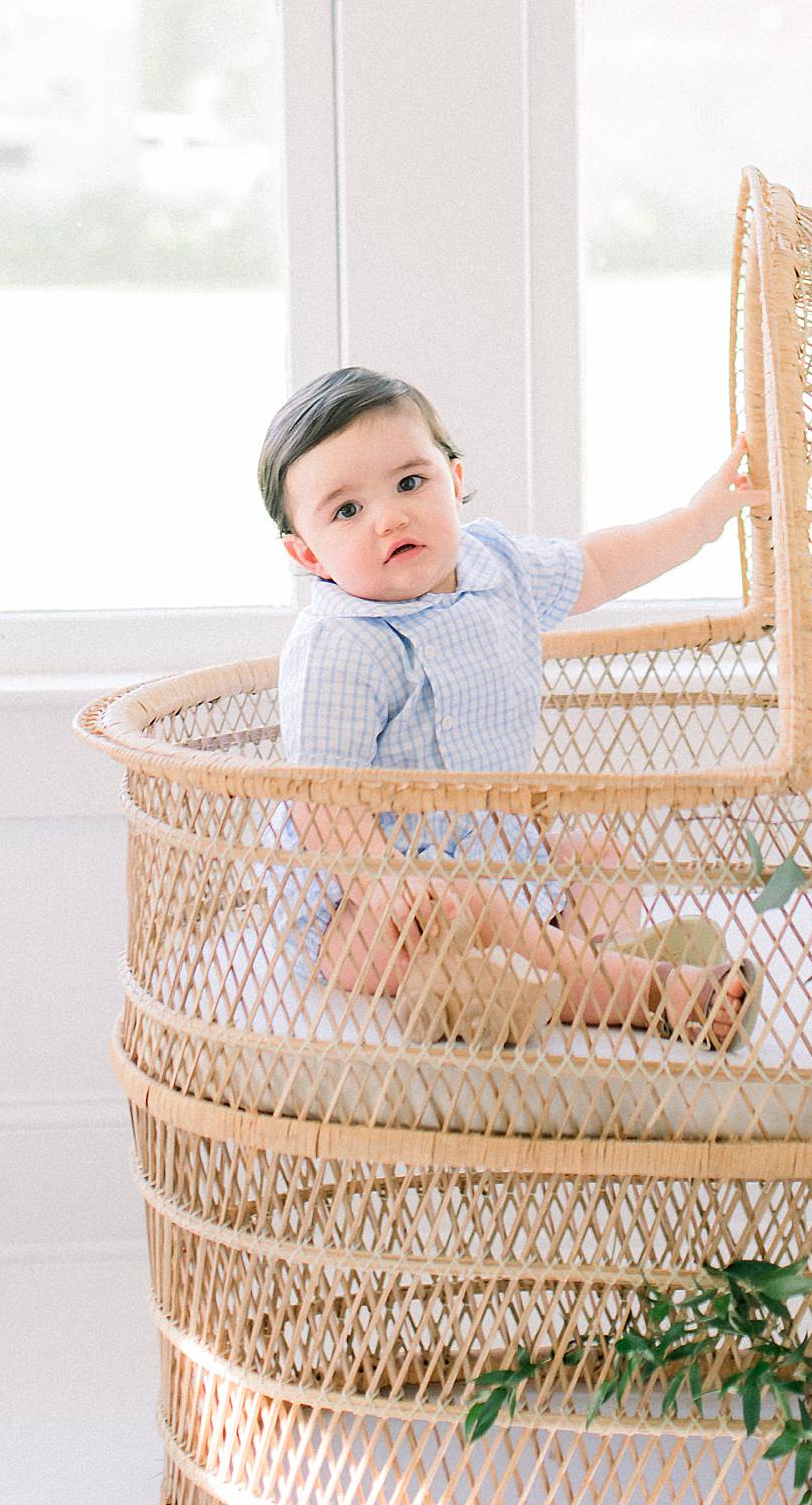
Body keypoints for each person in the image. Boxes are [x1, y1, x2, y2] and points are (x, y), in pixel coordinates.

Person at [258, 365, 762, 1047]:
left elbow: (602, 566)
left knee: (596, 854)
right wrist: (384, 883)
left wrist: (697, 522)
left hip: (502, 857)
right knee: (464, 908)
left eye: (411, 482)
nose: (390, 517)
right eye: (347, 511)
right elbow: (322, 803)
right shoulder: (340, 647)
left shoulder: (499, 568)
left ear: (455, 481)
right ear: (306, 552)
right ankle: (649, 993)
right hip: (368, 912)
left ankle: (583, 966)